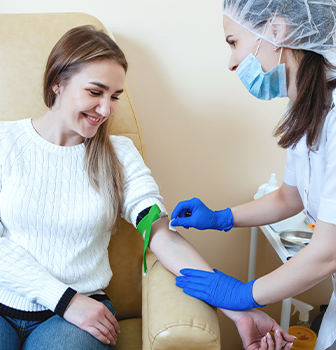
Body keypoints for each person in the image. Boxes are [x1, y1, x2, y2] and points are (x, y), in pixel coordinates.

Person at [0, 25, 295, 350]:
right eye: (95, 92)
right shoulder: (5, 143)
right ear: (57, 82)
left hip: (78, 316)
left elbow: (161, 234)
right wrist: (65, 299)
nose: (106, 109)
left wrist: (237, 308)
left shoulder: (119, 155)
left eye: (115, 96)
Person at [171, 1, 336, 349]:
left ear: (276, 32)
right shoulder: (308, 105)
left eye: (233, 42)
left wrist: (245, 294)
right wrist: (221, 217)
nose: (232, 63)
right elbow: (289, 197)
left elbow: (327, 252)